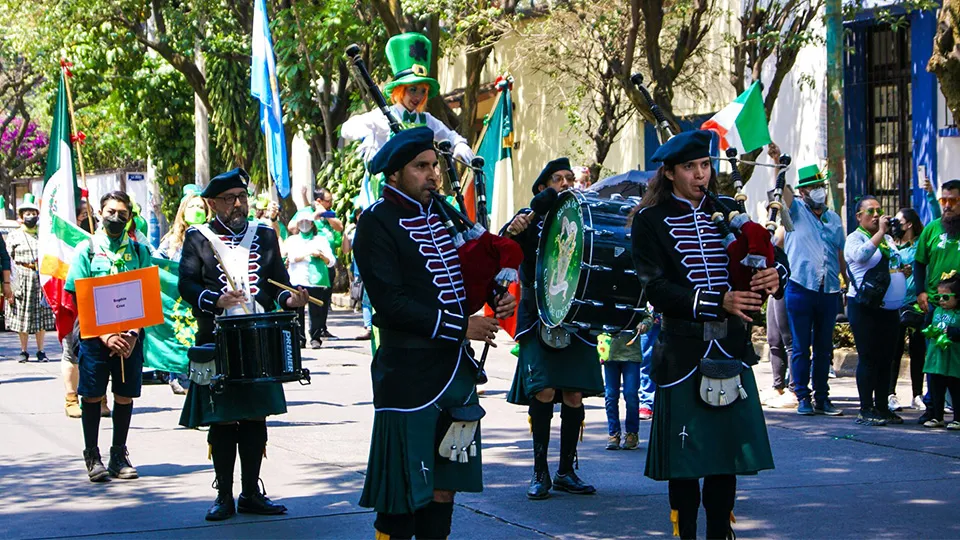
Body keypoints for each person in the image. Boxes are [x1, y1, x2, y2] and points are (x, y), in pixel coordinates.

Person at [352, 126, 515, 538]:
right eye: (420, 167)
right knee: (402, 491)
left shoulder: (443, 214)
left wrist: (497, 296)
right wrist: (464, 327)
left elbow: (469, 273)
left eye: (434, 166)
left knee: (445, 486)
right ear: (394, 174)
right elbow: (391, 304)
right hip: (406, 372)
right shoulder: (375, 223)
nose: (432, 174)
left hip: (452, 371)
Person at [631, 130, 784, 539]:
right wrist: (718, 302)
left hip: (729, 349)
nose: (701, 175)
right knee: (686, 465)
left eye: (705, 166)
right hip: (682, 354)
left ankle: (721, 533)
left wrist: (774, 276)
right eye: (690, 168)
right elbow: (655, 288)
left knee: (723, 459)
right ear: (669, 173)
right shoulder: (650, 221)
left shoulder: (728, 214)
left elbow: (772, 258)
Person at [177, 168, 309, 521]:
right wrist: (214, 299)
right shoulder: (198, 237)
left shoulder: (265, 234)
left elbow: (279, 284)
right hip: (217, 337)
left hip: (259, 337)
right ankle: (223, 495)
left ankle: (251, 492)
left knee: (254, 417)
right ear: (212, 203)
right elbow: (186, 285)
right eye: (229, 199)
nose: (238, 205)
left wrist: (291, 299)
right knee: (222, 420)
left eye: (242, 197)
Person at [502, 157, 604, 500]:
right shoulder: (530, 218)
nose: (565, 183)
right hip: (538, 317)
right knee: (543, 391)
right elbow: (503, 247)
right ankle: (539, 472)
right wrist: (512, 229)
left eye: (569, 178)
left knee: (573, 395)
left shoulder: (585, 217)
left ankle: (566, 471)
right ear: (543, 187)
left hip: (577, 316)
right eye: (557, 179)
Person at [64, 191, 154, 482]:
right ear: (100, 213)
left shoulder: (140, 251)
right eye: (111, 212)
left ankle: (118, 454)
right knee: (91, 395)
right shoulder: (87, 250)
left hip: (129, 338)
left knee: (125, 395)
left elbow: (147, 294)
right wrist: (104, 335)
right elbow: (78, 295)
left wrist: (131, 334)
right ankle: (92, 455)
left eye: (122, 214)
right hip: (95, 337)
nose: (116, 218)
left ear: (130, 218)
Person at [341, 32, 475, 210]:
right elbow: (347, 129)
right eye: (413, 89)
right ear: (400, 90)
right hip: (388, 190)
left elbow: (449, 135)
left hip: (416, 189)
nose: (417, 96)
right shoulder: (383, 117)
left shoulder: (425, 119)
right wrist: (368, 134)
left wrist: (459, 145)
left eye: (422, 91)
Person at [778, 156, 846, 417]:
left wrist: (845, 281)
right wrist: (779, 166)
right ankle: (802, 396)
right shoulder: (794, 212)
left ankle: (823, 397)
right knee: (800, 346)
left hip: (828, 289)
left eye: (822, 186)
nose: (820, 191)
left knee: (824, 348)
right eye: (814, 187)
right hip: (800, 287)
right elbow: (783, 194)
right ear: (804, 192)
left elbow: (838, 251)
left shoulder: (833, 218)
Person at [843, 196, 907, 426]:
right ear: (859, 216)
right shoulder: (855, 238)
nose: (877, 215)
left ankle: (882, 406)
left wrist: (902, 271)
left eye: (879, 210)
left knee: (886, 357)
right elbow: (860, 256)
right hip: (864, 306)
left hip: (888, 307)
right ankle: (865, 408)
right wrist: (879, 233)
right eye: (871, 211)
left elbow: (893, 262)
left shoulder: (887, 239)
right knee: (869, 357)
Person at [914, 179, 960, 423]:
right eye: (944, 200)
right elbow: (919, 262)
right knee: (934, 356)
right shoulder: (931, 229)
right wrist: (920, 292)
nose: (948, 205)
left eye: (953, 200)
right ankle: (933, 408)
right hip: (936, 303)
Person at [156, 193, 211, 394]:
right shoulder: (171, 242)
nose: (197, 210)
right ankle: (178, 377)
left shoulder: (212, 237)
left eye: (200, 207)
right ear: (183, 211)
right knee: (180, 340)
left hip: (202, 302)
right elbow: (157, 265)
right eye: (192, 206)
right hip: (178, 304)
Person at [61, 200, 111, 418]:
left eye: (90, 213)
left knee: (104, 355)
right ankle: (71, 397)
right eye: (82, 214)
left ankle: (100, 397)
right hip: (75, 306)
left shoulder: (102, 240)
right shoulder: (68, 239)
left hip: (108, 307)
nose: (86, 217)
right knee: (72, 352)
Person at [6, 195, 55, 363]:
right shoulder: (14, 236)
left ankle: (41, 351)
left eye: (33, 212)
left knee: (40, 317)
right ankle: (23, 350)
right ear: (21, 216)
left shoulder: (43, 235)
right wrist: (10, 286)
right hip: (21, 278)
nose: (30, 216)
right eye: (26, 213)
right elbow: (9, 261)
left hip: (40, 278)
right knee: (22, 316)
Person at [889, 207, 928, 412]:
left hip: (915, 303)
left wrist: (930, 196)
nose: (895, 226)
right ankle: (890, 393)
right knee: (894, 350)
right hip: (895, 303)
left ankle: (917, 394)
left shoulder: (919, 244)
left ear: (910, 224)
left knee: (917, 351)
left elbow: (934, 215)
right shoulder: (891, 246)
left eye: (899, 222)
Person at [284, 214, 335, 349]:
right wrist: (308, 252)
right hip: (297, 279)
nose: (305, 224)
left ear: (313, 224)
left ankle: (316, 337)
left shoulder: (321, 240)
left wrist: (321, 255)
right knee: (297, 310)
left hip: (316, 280)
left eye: (307, 221)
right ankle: (300, 338)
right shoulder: (292, 240)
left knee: (316, 311)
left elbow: (331, 261)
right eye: (302, 221)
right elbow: (292, 257)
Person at [603, 318, 653, 451]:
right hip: (609, 353)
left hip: (631, 355)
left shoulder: (636, 298)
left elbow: (648, 316)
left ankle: (632, 433)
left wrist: (644, 325)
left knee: (630, 394)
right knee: (610, 395)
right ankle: (613, 434)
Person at [762, 225, 798, 409]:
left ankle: (794, 389)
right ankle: (778, 386)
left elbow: (777, 241)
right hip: (774, 285)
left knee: (788, 339)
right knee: (773, 338)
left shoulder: (794, 222)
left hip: (790, 283)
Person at [920, 272, 960, 429]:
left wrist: (951, 332)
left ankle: (958, 418)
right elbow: (926, 326)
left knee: (956, 389)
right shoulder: (935, 312)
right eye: (937, 298)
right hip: (936, 359)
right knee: (936, 388)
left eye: (945, 297)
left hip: (954, 359)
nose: (941, 301)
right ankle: (937, 416)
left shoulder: (957, 314)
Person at [309, 188, 342, 339]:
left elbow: (339, 227)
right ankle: (313, 332)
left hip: (328, 262)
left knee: (325, 298)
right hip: (313, 264)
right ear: (319, 201)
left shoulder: (330, 213)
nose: (331, 203)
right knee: (315, 299)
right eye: (327, 201)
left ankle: (322, 326)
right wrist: (316, 213)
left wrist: (326, 214)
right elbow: (298, 227)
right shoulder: (309, 212)